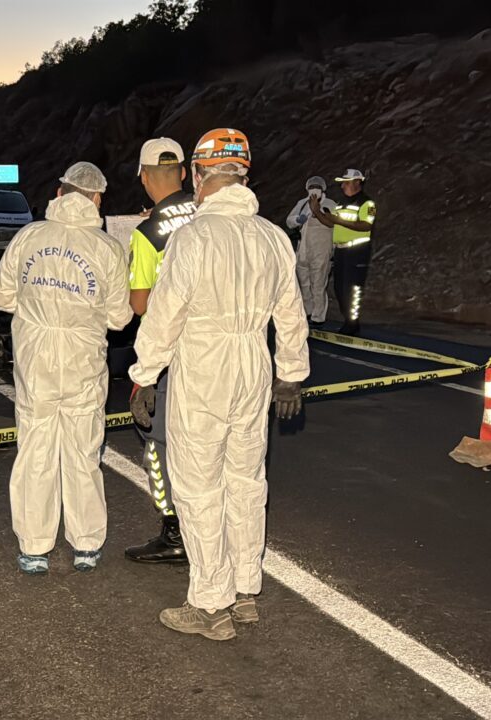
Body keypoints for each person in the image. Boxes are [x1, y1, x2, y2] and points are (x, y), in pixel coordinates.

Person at [129, 128, 310, 641]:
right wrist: (290, 375)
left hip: (203, 367)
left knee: (198, 485)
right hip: (252, 363)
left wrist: (144, 375)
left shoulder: (194, 238)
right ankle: (246, 589)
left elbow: (164, 314)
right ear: (243, 175)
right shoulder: (273, 236)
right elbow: (291, 315)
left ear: (204, 176)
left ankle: (210, 605)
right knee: (247, 481)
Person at [0, 161, 132, 575]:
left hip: (36, 358)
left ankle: (34, 548)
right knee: (83, 451)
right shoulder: (106, 248)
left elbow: (1, 297)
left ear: (59, 193)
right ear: (97, 199)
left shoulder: (29, 237)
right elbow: (120, 319)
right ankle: (86, 544)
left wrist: (35, 310)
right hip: (83, 359)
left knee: (35, 449)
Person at [123, 138, 198, 565]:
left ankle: (173, 529)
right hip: (219, 349)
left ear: (143, 176)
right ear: (185, 173)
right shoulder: (210, 214)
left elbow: (139, 304)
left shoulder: (147, 232)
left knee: (158, 443)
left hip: (169, 355)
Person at [314, 169, 375, 335]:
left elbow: (366, 225)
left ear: (357, 182)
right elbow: (330, 222)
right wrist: (317, 211)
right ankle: (348, 321)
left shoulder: (367, 203)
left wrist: (337, 220)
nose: (342, 186)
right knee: (339, 288)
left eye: (346, 182)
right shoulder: (341, 203)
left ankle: (352, 324)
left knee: (352, 289)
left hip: (357, 250)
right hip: (341, 251)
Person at [286, 176, 337, 327]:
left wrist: (333, 251)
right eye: (311, 186)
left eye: (317, 186)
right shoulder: (302, 204)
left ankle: (318, 317)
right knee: (304, 284)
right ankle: (307, 312)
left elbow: (335, 225)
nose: (314, 189)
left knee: (318, 284)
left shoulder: (330, 205)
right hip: (303, 250)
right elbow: (289, 221)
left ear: (323, 189)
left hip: (321, 251)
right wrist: (297, 220)